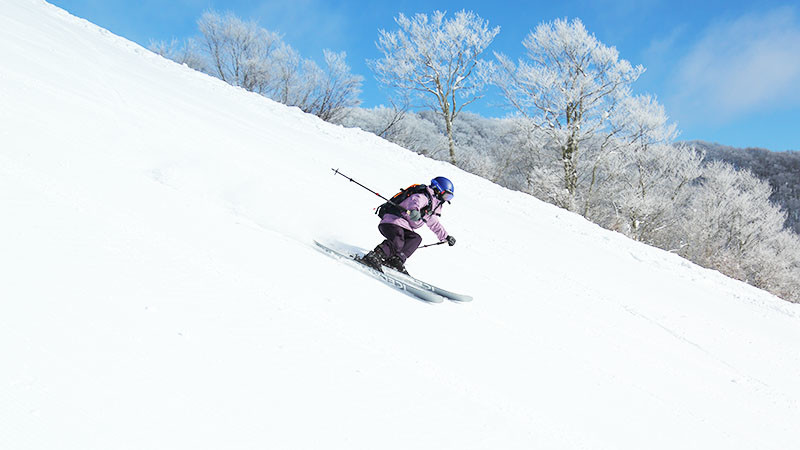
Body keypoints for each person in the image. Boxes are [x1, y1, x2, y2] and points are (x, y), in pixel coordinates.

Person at [361, 176, 457, 274]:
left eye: (449, 197)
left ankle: (396, 260)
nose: (446, 199)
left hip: (404, 226)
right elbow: (415, 202)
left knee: (415, 238)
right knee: (398, 239)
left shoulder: (433, 207)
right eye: (446, 195)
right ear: (438, 189)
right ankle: (376, 255)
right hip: (392, 220)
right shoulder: (424, 196)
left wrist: (446, 237)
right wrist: (414, 210)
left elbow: (435, 224)